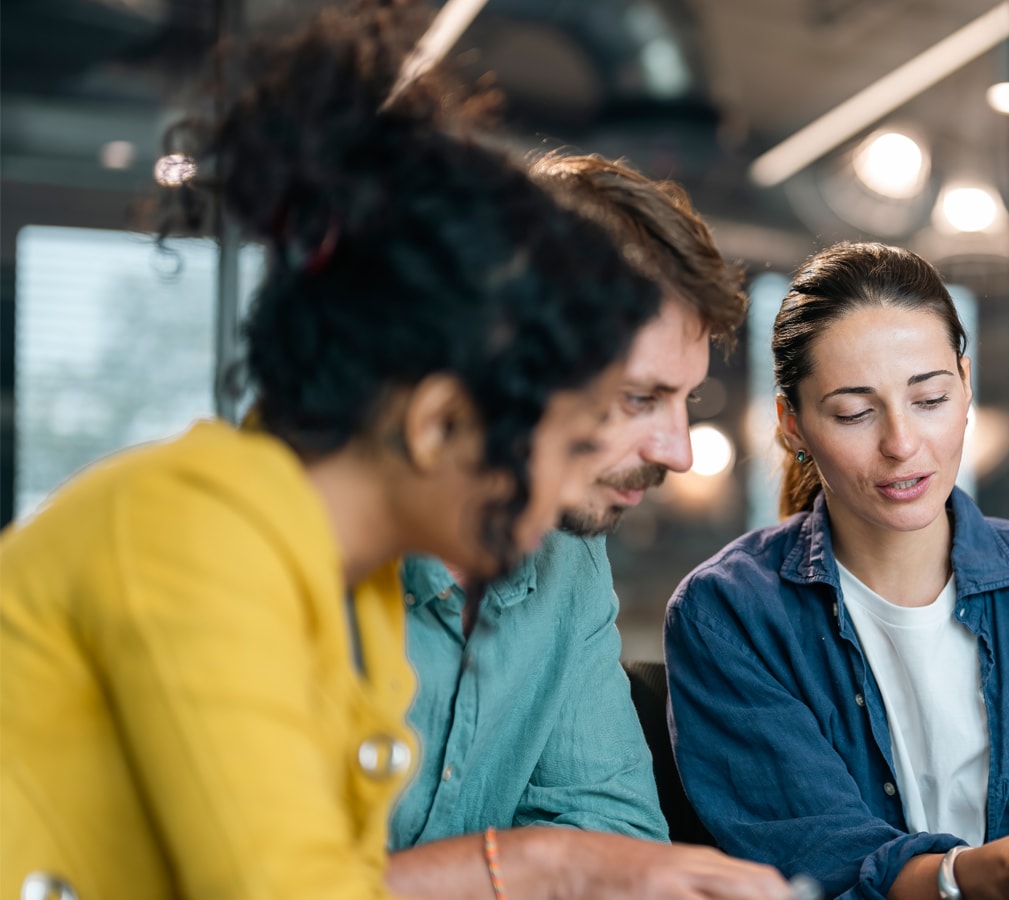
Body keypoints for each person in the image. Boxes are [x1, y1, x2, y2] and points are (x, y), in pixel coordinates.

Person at [0, 4, 661, 897]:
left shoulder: (354, 599)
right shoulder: (196, 533)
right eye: (568, 442)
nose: (568, 490)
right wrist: (548, 861)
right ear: (436, 424)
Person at [664, 242, 1009, 900]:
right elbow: (818, 865)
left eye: (929, 398)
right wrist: (982, 874)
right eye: (854, 412)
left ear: (965, 386)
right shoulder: (728, 615)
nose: (901, 444)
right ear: (792, 424)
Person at [384, 154, 790, 900]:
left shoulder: (569, 564)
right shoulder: (288, 553)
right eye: (641, 397)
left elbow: (615, 839)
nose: (679, 451)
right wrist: (541, 867)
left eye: (687, 400)